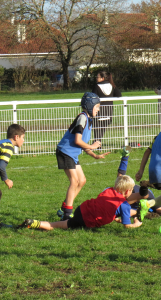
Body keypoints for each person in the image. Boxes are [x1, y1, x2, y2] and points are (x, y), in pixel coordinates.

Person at [18, 175, 146, 231]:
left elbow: (104, 207)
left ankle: (35, 223)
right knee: (61, 225)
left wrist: (115, 218)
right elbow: (127, 226)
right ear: (128, 190)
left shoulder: (108, 190)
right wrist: (137, 224)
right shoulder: (124, 205)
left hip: (82, 209)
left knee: (60, 224)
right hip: (87, 220)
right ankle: (37, 224)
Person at [56, 92, 110, 221]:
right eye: (97, 106)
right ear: (90, 106)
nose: (99, 109)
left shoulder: (88, 120)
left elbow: (83, 145)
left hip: (72, 154)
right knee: (74, 181)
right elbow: (77, 141)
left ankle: (65, 207)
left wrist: (94, 155)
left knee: (82, 180)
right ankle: (67, 215)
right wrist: (93, 146)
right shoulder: (83, 118)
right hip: (65, 152)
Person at [92, 71, 122, 142]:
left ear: (102, 78)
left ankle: (97, 144)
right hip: (108, 111)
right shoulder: (111, 85)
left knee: (97, 129)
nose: (96, 78)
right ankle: (97, 143)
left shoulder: (96, 86)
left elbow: (92, 97)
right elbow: (119, 95)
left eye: (97, 77)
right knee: (102, 129)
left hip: (98, 112)